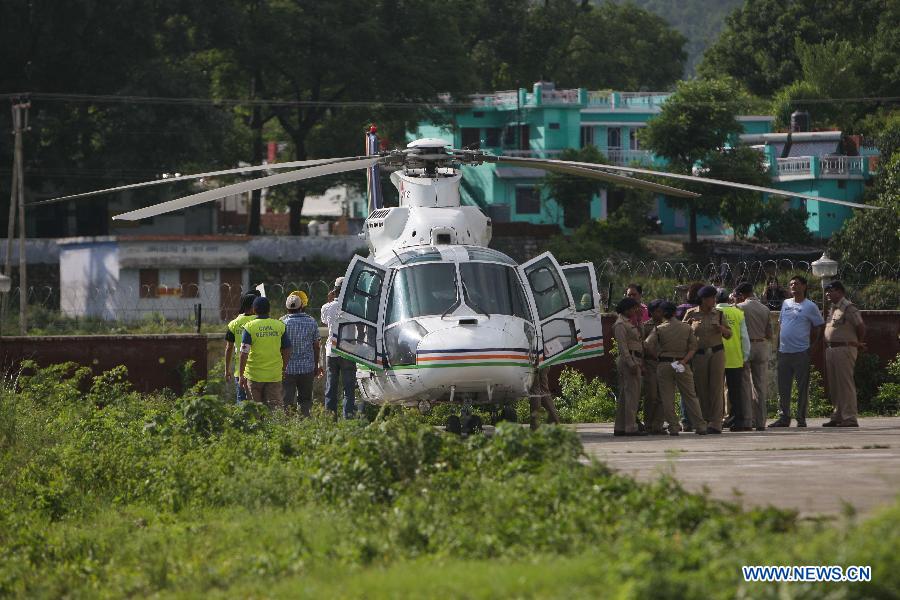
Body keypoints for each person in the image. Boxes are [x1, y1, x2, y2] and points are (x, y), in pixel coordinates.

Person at [644, 301, 708, 436]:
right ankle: (700, 426)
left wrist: (657, 356)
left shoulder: (659, 329)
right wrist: (684, 360)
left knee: (667, 397)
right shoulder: (686, 327)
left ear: (663, 314)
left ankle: (673, 426)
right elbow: (694, 347)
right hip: (682, 364)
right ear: (675, 313)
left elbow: (647, 344)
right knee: (690, 396)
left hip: (664, 364)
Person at [769, 275, 825, 428]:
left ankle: (801, 418)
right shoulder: (786, 303)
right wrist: (777, 345)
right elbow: (781, 325)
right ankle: (784, 417)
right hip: (784, 352)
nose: (793, 286)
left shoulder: (810, 306)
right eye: (791, 284)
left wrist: (814, 346)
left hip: (801, 352)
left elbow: (819, 326)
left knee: (802, 387)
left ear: (804, 286)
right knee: (783, 387)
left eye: (797, 283)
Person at [683, 285, 732, 434]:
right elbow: (683, 333)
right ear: (703, 299)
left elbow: (729, 334)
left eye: (714, 298)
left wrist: (722, 329)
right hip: (699, 354)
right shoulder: (691, 313)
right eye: (711, 298)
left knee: (716, 388)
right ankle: (704, 420)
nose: (714, 300)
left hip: (717, 353)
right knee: (701, 388)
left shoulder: (719, 314)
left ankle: (716, 422)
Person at [822, 281, 866, 428]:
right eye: (827, 291)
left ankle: (850, 417)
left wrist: (858, 343)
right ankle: (838, 415)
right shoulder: (833, 308)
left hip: (845, 349)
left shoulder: (848, 307)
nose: (828, 293)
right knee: (834, 385)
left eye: (831, 290)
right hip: (832, 349)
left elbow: (860, 326)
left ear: (840, 292)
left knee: (845, 384)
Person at [239, 296, 291, 410]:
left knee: (256, 411)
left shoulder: (249, 327)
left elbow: (244, 353)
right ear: (269, 309)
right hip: (274, 375)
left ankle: (259, 428)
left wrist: (241, 374)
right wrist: (283, 368)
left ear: (254, 310)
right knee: (275, 410)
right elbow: (287, 349)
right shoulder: (279, 326)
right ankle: (275, 428)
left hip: (254, 376)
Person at [734, 282, 773, 431]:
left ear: (741, 295)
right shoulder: (765, 308)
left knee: (744, 385)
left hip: (746, 346)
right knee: (760, 386)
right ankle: (761, 421)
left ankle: (747, 421)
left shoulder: (740, 307)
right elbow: (769, 333)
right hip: (761, 346)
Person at [320, 277, 358, 419]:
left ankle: (330, 419)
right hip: (348, 350)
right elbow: (360, 327)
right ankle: (348, 419)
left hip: (332, 350)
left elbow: (324, 321)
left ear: (334, 291)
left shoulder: (326, 307)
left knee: (331, 387)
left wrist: (329, 300)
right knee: (349, 389)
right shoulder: (355, 306)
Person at [281, 291, 322, 417]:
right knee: (305, 401)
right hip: (307, 368)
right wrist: (316, 366)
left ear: (287, 308)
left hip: (287, 369)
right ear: (301, 306)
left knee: (287, 401)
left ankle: (288, 427)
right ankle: (305, 425)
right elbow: (316, 346)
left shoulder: (282, 323)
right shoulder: (312, 322)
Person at [716, 288, 752, 431]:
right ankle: (738, 421)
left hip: (716, 357)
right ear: (729, 299)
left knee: (715, 391)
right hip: (735, 357)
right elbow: (744, 337)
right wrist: (745, 356)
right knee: (735, 392)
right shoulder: (737, 313)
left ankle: (715, 420)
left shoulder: (713, 313)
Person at [612, 297, 647, 436]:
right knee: (632, 395)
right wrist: (631, 363)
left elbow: (641, 337)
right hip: (629, 360)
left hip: (635, 358)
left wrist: (639, 320)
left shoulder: (629, 323)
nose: (635, 310)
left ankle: (620, 426)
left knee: (626, 395)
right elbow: (623, 347)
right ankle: (630, 427)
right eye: (633, 308)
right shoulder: (620, 324)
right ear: (626, 309)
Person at [224, 291, 260, 403]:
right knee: (260, 402)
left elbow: (229, 348)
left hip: (240, 370)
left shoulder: (234, 323)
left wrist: (226, 370)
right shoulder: (259, 321)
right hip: (259, 369)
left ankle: (243, 420)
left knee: (242, 402)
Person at [642, 299, 666, 434]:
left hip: (664, 363)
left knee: (662, 395)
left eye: (662, 311)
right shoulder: (646, 326)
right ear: (651, 312)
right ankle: (648, 424)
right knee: (651, 395)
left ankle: (658, 424)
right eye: (658, 311)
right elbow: (643, 345)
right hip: (651, 364)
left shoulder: (666, 325)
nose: (661, 313)